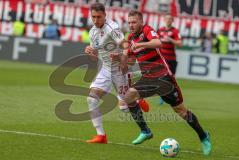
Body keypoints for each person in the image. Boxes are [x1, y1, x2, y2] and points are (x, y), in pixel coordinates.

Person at [120, 10, 211, 156]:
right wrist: (121, 57)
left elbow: (158, 42)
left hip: (164, 78)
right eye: (129, 22)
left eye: (134, 22)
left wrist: (141, 44)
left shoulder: (147, 30)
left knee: (181, 111)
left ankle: (203, 136)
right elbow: (127, 59)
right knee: (129, 96)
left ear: (141, 22)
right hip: (148, 78)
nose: (131, 25)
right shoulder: (130, 38)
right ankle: (145, 131)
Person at [84, 3, 149, 144]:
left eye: (98, 17)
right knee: (91, 98)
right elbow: (96, 54)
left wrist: (122, 55)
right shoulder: (92, 32)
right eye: (93, 17)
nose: (95, 20)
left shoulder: (112, 28)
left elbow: (125, 44)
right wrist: (90, 51)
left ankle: (137, 98)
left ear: (105, 15)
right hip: (106, 68)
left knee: (125, 108)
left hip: (120, 69)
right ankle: (101, 136)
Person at [157, 14, 182, 104]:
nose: (168, 20)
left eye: (170, 19)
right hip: (162, 59)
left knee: (171, 79)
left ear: (172, 21)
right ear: (164, 19)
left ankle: (175, 95)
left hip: (171, 59)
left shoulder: (175, 31)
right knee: (161, 77)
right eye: (167, 18)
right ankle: (163, 96)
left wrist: (170, 40)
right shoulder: (160, 30)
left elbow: (180, 43)